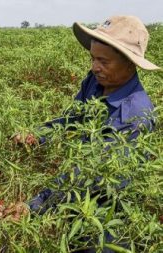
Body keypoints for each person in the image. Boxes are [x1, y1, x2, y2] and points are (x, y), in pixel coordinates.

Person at [12, 16, 160, 252]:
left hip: (106, 213)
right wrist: (37, 134)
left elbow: (91, 175)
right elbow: (71, 117)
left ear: (130, 64)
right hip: (78, 201)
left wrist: (36, 205)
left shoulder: (135, 115)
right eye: (93, 58)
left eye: (103, 61)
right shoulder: (96, 81)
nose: (94, 67)